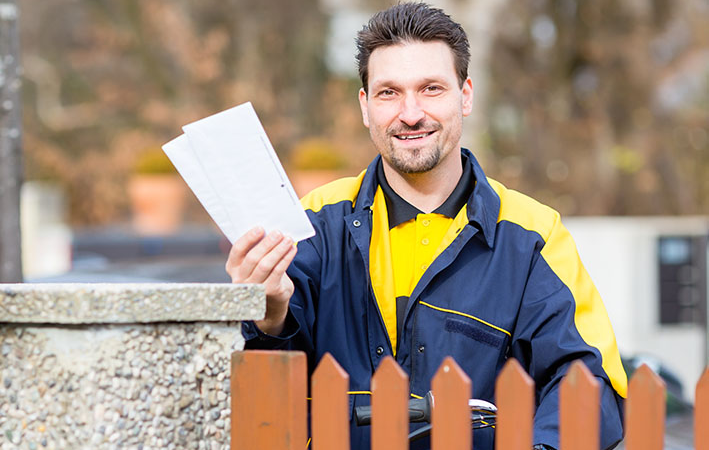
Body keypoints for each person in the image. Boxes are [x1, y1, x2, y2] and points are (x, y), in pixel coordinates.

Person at [226, 3, 626, 449]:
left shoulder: (534, 234)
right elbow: (259, 393)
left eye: (431, 89)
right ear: (365, 106)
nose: (411, 113)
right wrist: (270, 316)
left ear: (465, 94)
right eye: (388, 93)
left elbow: (588, 381)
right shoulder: (312, 220)